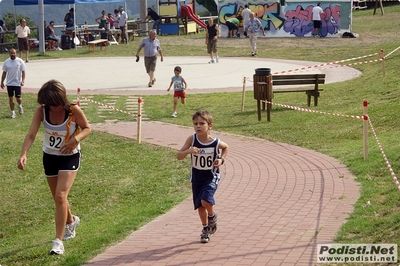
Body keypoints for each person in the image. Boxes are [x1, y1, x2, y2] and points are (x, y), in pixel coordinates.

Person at [17, 79, 91, 255]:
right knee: (58, 198)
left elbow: (87, 128)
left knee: (60, 195)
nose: (53, 108)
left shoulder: (73, 110)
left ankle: (58, 242)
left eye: (55, 104)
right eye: (49, 104)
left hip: (69, 157)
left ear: (62, 99)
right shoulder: (42, 111)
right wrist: (23, 154)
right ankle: (71, 221)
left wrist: (75, 140)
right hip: (50, 156)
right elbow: (31, 134)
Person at [177, 110, 229, 243]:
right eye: (195, 124)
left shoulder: (215, 142)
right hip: (196, 178)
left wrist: (221, 160)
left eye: (202, 123)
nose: (198, 126)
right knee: (200, 206)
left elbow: (226, 147)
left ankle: (212, 217)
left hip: (211, 176)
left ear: (209, 126)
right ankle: (205, 229)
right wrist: (189, 151)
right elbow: (179, 156)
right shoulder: (192, 139)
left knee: (206, 200)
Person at [1, 48, 26, 118]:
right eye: (11, 53)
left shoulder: (20, 61)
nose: (12, 55)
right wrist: (2, 82)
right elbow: (4, 73)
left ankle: (20, 105)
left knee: (18, 98)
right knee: (10, 98)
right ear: (9, 54)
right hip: (9, 83)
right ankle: (13, 112)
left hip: (17, 83)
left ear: (16, 53)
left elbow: (23, 72)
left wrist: (23, 80)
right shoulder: (7, 62)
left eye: (14, 53)